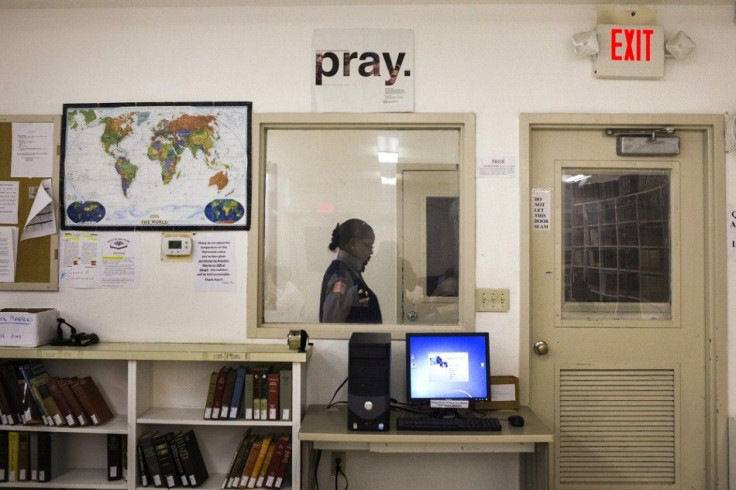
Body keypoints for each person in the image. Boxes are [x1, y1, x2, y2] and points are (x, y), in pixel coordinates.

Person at [319, 219, 382, 323]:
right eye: (368, 246)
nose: (371, 252)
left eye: (372, 247)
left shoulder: (351, 272)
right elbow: (332, 325)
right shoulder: (341, 277)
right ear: (352, 244)